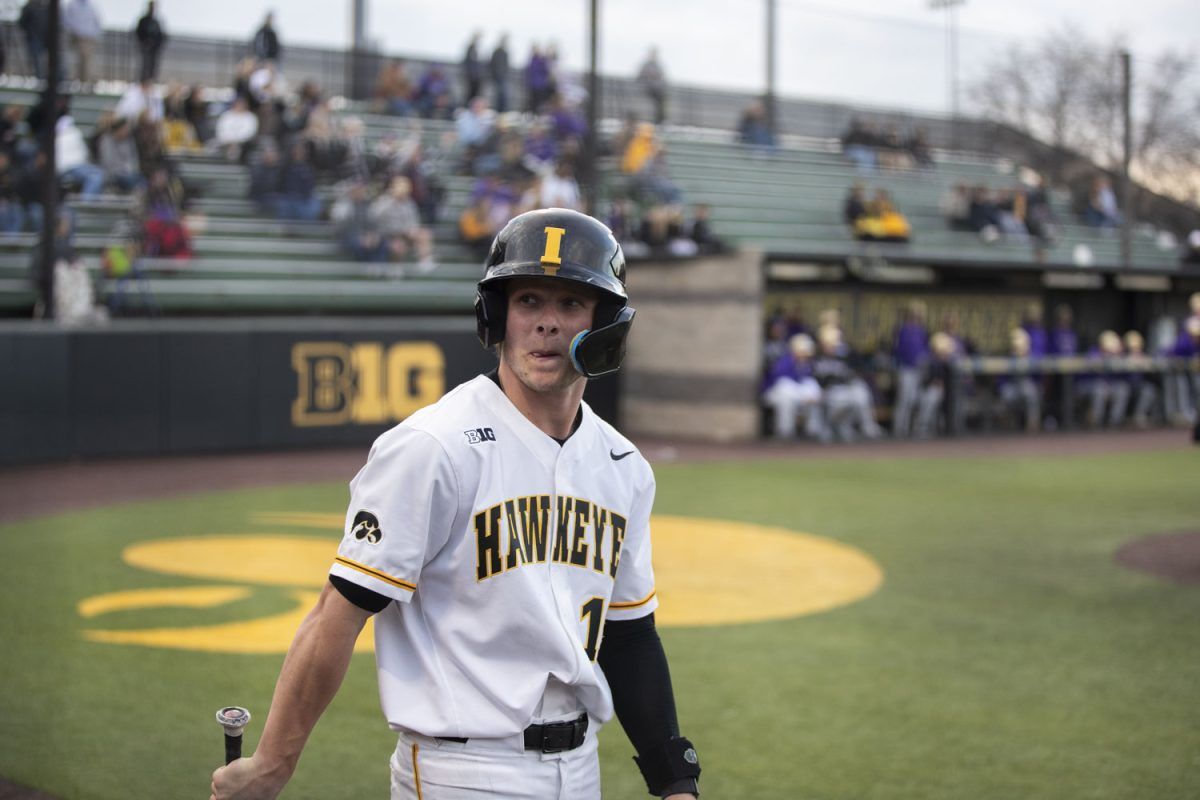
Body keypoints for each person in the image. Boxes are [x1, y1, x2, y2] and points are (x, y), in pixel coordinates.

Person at [208, 208, 701, 800]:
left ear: (605, 325)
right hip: (462, 773)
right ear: (497, 315)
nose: (546, 324)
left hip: (581, 770)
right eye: (527, 302)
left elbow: (629, 638)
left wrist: (676, 781)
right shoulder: (432, 447)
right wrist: (271, 764)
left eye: (569, 304)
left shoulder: (624, 466)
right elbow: (335, 617)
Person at [62, 0, 102, 85]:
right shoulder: (72, 5)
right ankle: (74, 81)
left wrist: (94, 34)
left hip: (88, 37)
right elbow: (66, 21)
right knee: (75, 60)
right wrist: (74, 31)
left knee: (86, 61)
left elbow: (97, 21)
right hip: (76, 37)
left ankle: (84, 82)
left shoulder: (91, 6)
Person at [134, 2, 167, 83]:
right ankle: (143, 80)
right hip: (145, 47)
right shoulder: (143, 20)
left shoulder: (156, 22)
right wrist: (145, 42)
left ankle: (151, 80)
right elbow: (139, 33)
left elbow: (161, 35)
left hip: (154, 48)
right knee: (145, 64)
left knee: (153, 66)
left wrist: (156, 44)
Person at [637, 47, 667, 125]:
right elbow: (641, 76)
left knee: (663, 99)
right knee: (659, 98)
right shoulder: (646, 65)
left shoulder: (658, 66)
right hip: (648, 88)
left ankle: (661, 119)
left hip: (657, 89)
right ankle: (659, 119)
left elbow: (662, 77)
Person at [489, 34, 511, 113]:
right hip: (497, 76)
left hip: (503, 76)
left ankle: (503, 111)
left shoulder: (505, 52)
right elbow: (492, 63)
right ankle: (499, 110)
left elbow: (506, 65)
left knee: (504, 95)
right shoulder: (497, 51)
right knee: (499, 94)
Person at [462, 32, 485, 102]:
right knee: (470, 94)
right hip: (471, 76)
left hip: (478, 76)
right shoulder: (471, 47)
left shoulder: (479, 48)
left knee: (477, 95)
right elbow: (468, 62)